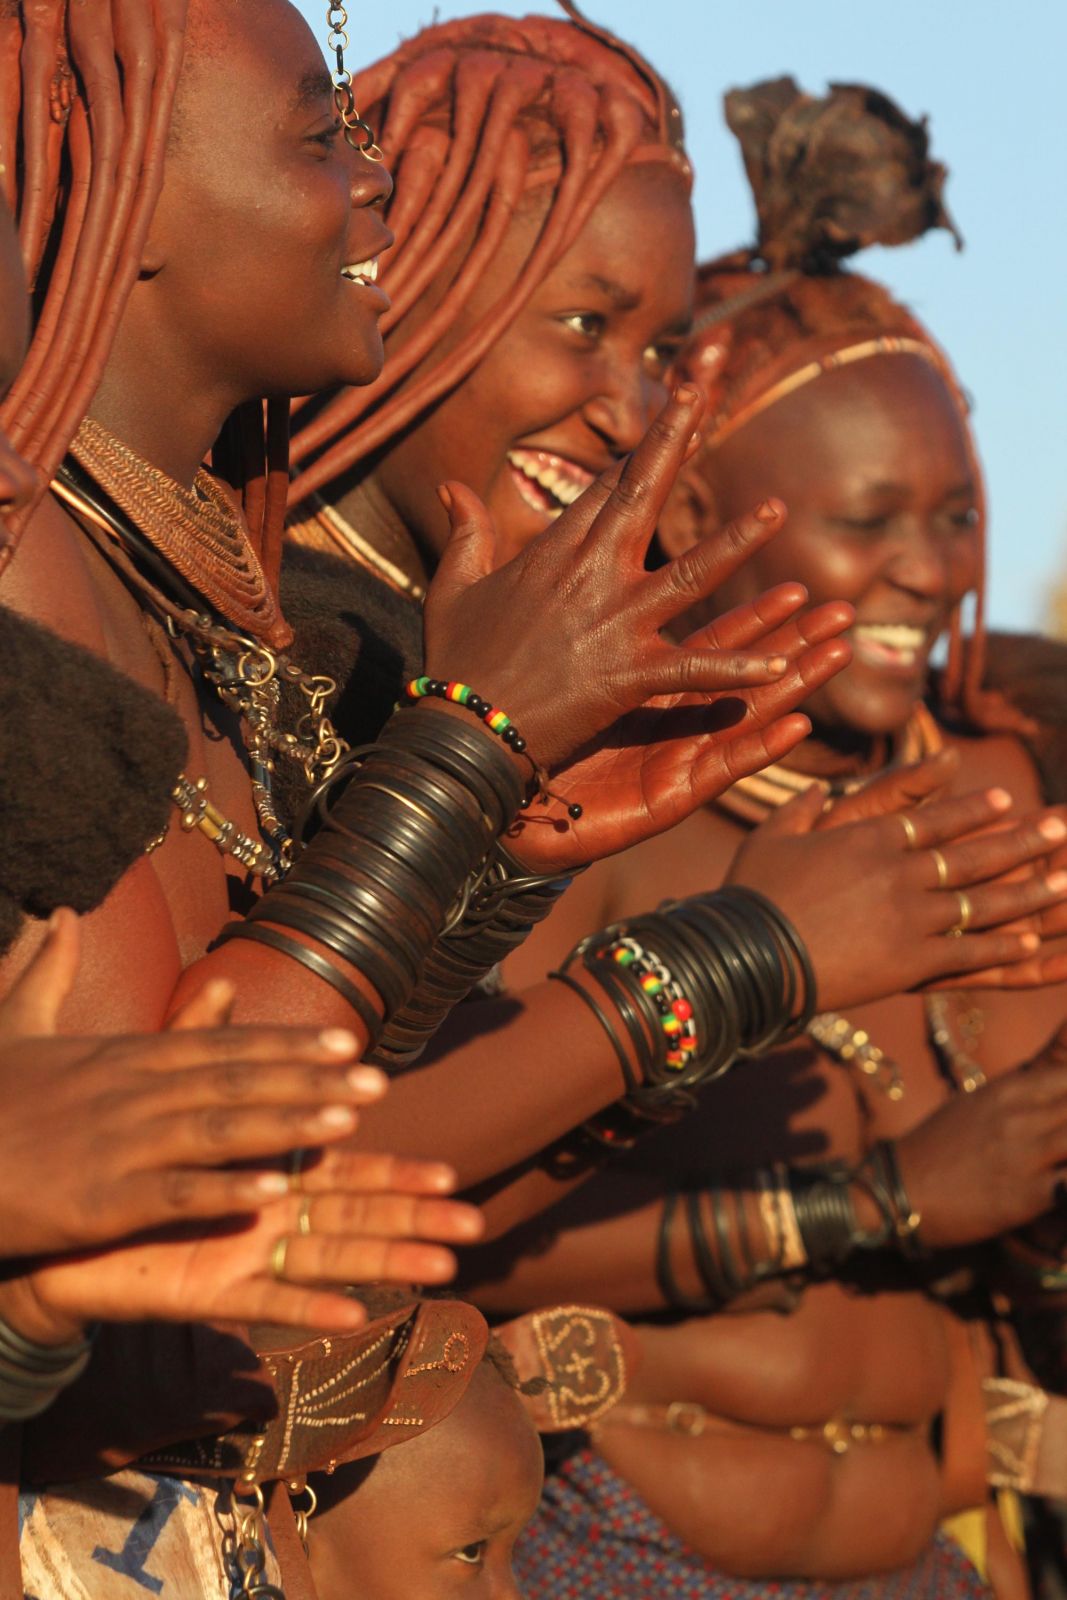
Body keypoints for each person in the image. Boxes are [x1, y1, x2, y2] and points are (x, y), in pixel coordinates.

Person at [283, 11, 1067, 1240]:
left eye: (656, 352)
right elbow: (304, 1176)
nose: (632, 413)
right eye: (585, 325)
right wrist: (744, 962)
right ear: (410, 283)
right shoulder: (266, 641)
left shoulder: (533, 704)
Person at [458, 80, 1067, 1599]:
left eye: (954, 516)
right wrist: (875, 1204)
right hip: (622, 1542)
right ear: (709, 512)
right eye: (867, 522)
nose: (924, 574)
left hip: (931, 1554)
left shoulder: (1013, 785)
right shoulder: (599, 806)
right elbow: (436, 1221)